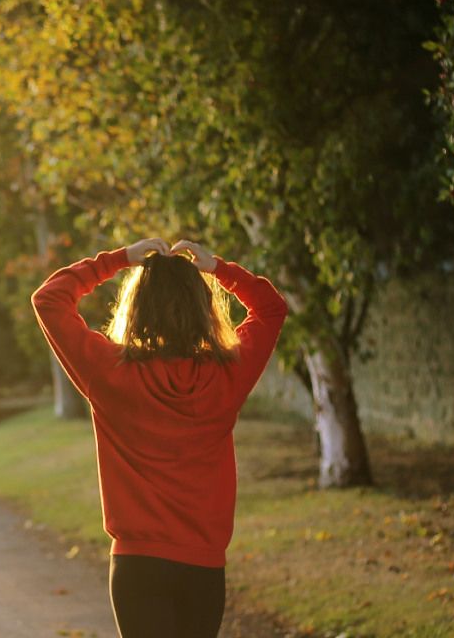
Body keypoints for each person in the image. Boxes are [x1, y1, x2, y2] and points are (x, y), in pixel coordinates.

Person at [31, 238, 288, 638]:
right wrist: (218, 268)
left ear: (137, 308)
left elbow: (49, 299)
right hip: (203, 567)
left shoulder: (111, 373)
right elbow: (271, 308)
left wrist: (117, 260)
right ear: (202, 309)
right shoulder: (226, 375)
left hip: (138, 566)